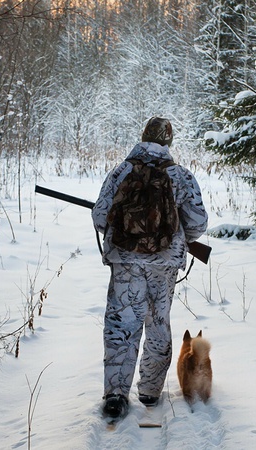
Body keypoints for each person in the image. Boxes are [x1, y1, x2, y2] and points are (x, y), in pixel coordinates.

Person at [92, 117, 209, 419]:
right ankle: (150, 391)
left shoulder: (121, 172)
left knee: (121, 325)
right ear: (168, 143)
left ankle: (116, 395)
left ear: (142, 136)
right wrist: (176, 239)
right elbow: (198, 222)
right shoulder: (180, 176)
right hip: (164, 264)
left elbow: (100, 215)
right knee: (158, 323)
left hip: (125, 262)